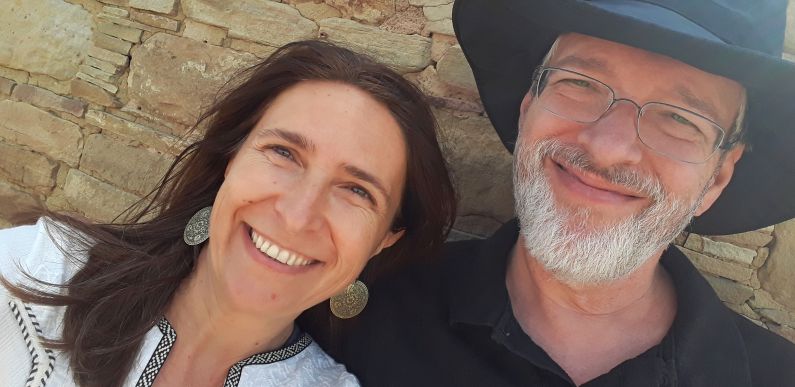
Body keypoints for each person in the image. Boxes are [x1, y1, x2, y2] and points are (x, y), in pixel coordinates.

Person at [323, 0, 795, 386]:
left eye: (679, 119)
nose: (609, 149)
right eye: (581, 84)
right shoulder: (365, 308)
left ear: (717, 176)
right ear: (528, 107)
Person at [0, 40, 456, 387]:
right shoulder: (33, 274)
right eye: (283, 153)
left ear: (384, 238)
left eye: (357, 190)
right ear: (229, 161)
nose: (298, 216)